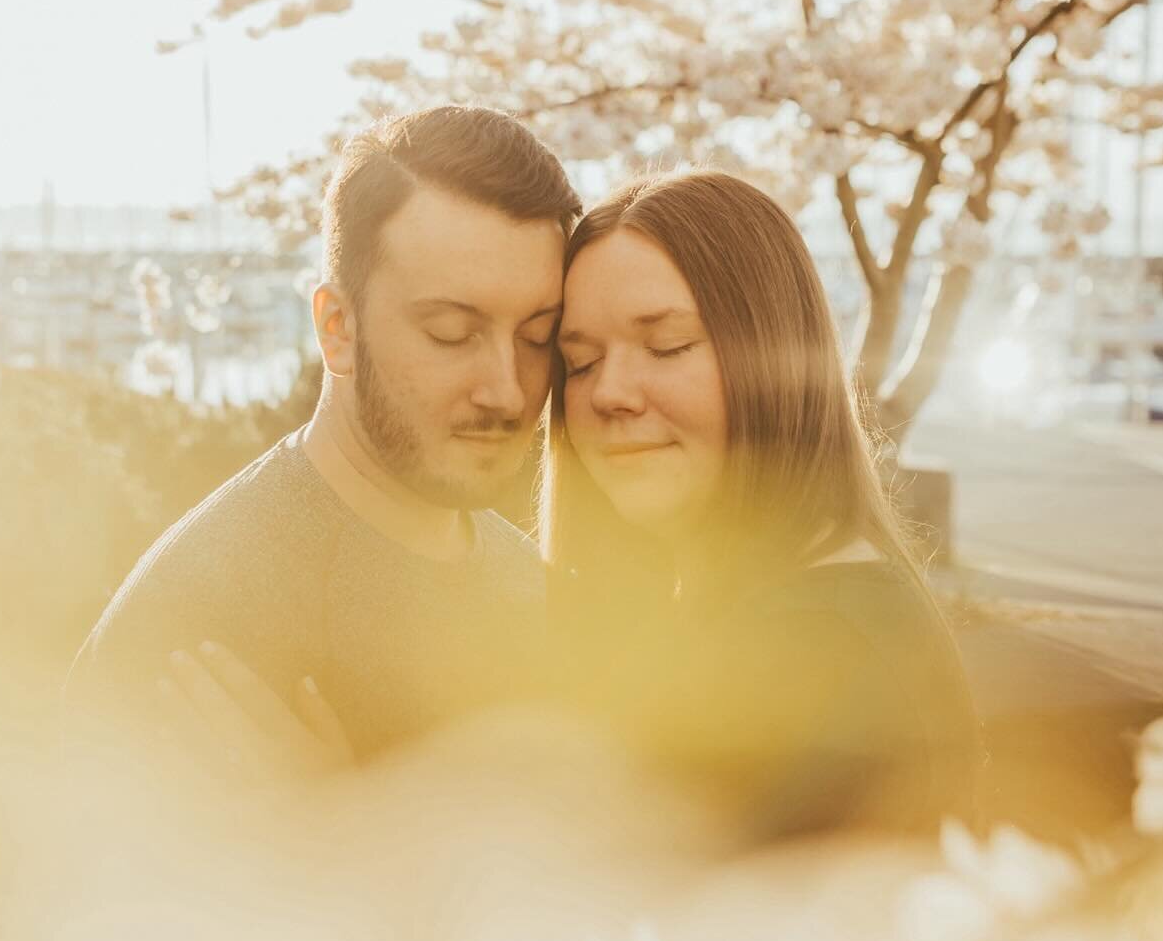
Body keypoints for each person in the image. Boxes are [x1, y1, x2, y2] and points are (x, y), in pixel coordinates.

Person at [67, 106, 580, 763]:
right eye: (452, 334)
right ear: (337, 326)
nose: (508, 391)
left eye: (539, 337)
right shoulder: (202, 630)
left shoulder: (529, 583)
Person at [545, 170, 979, 840]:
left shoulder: (814, 649)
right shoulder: (732, 606)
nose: (610, 393)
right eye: (580, 363)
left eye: (666, 346)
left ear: (773, 350)